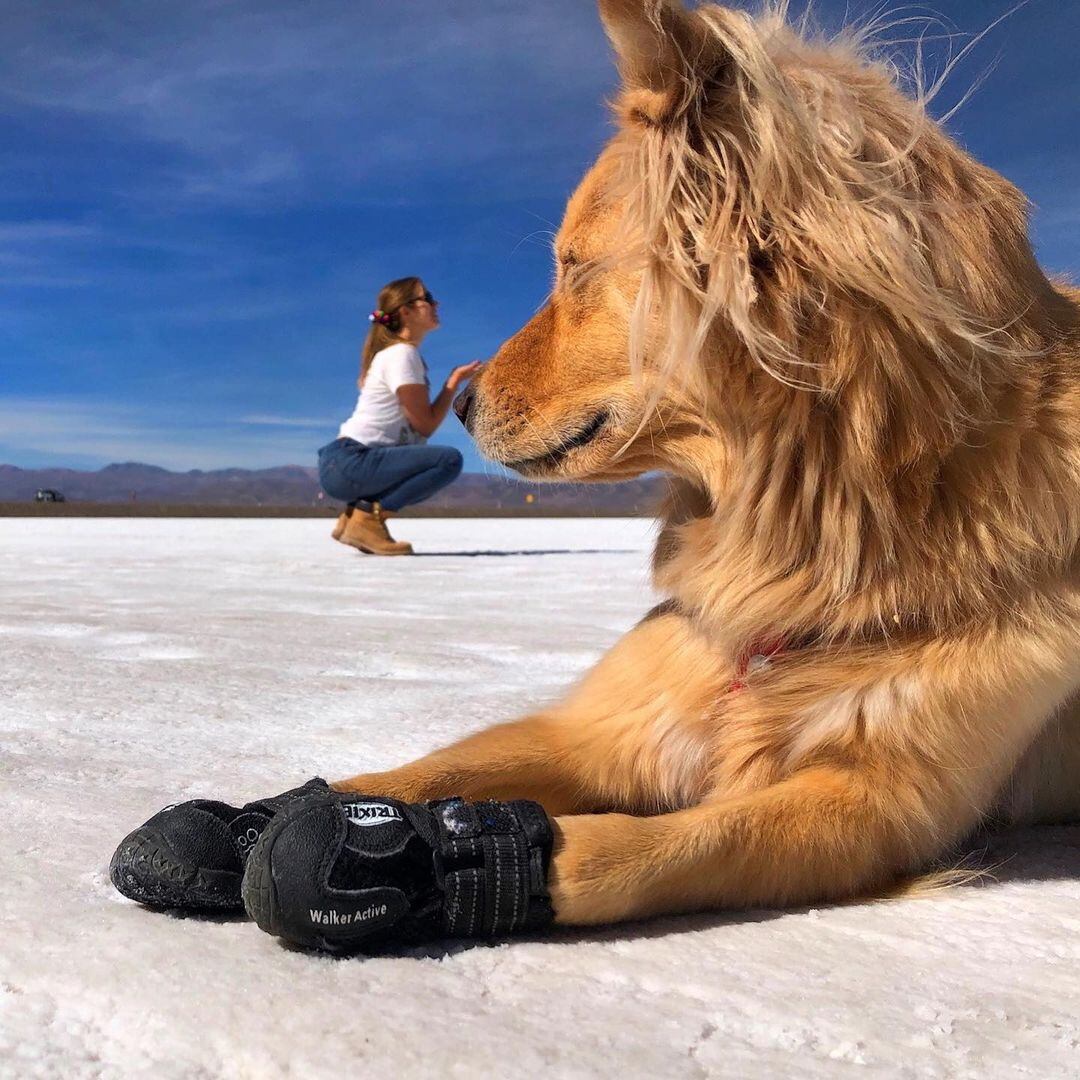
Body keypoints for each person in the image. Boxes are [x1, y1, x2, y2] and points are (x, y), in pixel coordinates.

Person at [317, 277, 481, 555]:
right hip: (353, 462)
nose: (435, 303)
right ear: (406, 311)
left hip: (344, 464)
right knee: (447, 460)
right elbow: (425, 426)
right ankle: (367, 519)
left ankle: (353, 519)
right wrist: (452, 384)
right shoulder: (402, 355)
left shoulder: (395, 355)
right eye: (427, 298)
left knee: (426, 459)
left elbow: (417, 432)